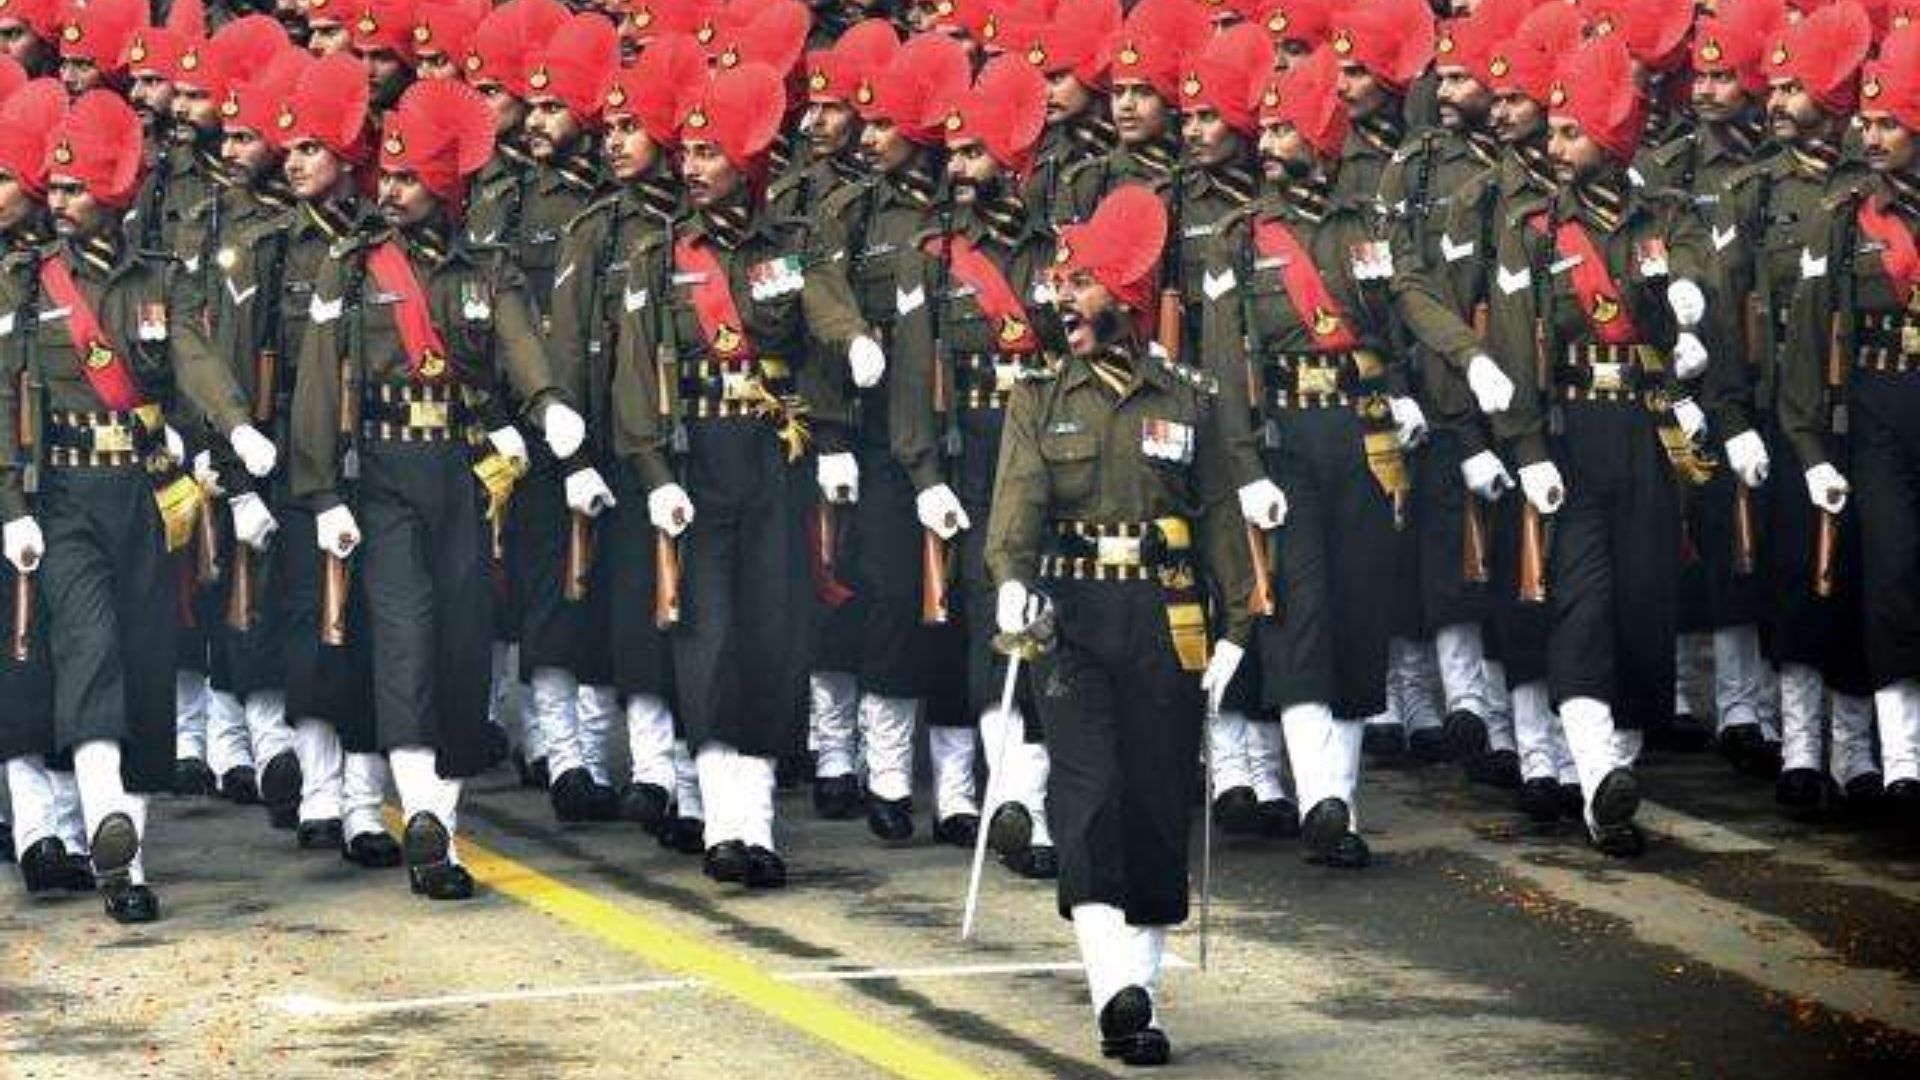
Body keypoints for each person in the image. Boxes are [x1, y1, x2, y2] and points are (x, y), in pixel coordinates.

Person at [289, 78, 608, 901]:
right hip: (384, 477)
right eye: (387, 175)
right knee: (403, 636)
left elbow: (519, 348)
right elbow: (319, 387)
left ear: (444, 184)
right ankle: (423, 814)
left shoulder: (486, 271)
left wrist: (550, 408)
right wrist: (321, 493)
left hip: (462, 476)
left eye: (407, 178)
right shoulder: (351, 268)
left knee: (464, 640)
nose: (389, 190)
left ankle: (445, 822)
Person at [987, 183, 1250, 1067]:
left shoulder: (1186, 396)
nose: (1063, 297)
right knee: (1088, 798)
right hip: (1075, 620)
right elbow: (1017, 504)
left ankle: (1142, 992)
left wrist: (1242, 624)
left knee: (1154, 799)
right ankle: (1115, 991)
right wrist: (1011, 581)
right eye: (1062, 283)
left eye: (1082, 283)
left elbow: (1218, 514)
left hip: (1168, 616)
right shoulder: (1037, 396)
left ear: (1126, 296)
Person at [1, 89, 278, 922]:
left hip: (150, 497)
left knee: (149, 656)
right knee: (89, 649)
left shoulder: (158, 278)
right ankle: (105, 817)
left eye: (76, 188)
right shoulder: (23, 283)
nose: (60, 201)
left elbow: (191, 360)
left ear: (114, 190)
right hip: (65, 500)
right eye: (54, 189)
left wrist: (236, 427)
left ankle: (128, 859)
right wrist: (11, 500)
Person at [1482, 35, 1725, 856]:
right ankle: (1595, 779)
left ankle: (1617, 775)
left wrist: (1692, 321)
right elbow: (1515, 349)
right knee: (1580, 602)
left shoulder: (1672, 219)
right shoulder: (1533, 229)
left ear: (1612, 138)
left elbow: (1704, 299)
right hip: (1572, 436)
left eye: (1570, 132)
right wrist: (1525, 452)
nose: (1554, 148)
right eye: (1552, 131)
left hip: (1651, 431)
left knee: (1644, 603)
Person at [1202, 47, 1424, 870]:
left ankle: (1341, 802)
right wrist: (1246, 470)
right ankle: (1321, 798)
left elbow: (1394, 321)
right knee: (1300, 615)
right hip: (1284, 443)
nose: (1266, 140)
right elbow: (1226, 372)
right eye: (1264, 124)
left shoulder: (1369, 230)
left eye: (1283, 126)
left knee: (1363, 614)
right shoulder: (1237, 239)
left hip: (1363, 440)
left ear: (1321, 137)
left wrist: (1407, 389)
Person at [608, 60, 828, 891]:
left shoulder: (790, 249)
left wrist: (835, 424)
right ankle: (720, 823)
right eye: (688, 150)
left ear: (748, 159)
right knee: (708, 640)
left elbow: (826, 325)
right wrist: (655, 472)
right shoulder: (655, 257)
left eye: (710, 151)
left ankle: (758, 824)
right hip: (696, 465)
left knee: (774, 636)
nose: (693, 165)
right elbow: (635, 382)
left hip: (774, 458)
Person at [889, 52, 1064, 877]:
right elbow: (912, 375)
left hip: (1048, 449)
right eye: (952, 154)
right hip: (975, 450)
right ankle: (1014, 802)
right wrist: (924, 477)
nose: (957, 170)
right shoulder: (931, 254)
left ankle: (1042, 795)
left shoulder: (1055, 249)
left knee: (1049, 621)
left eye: (974, 155)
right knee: (993, 625)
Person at [806, 30, 970, 846]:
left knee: (965, 610)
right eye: (862, 124)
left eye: (881, 126)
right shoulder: (849, 211)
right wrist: (848, 355)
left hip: (969, 433)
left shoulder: (963, 214)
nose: (866, 139)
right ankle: (888, 779)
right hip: (880, 440)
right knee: (891, 603)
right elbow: (822, 289)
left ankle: (967, 788)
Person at [544, 31, 703, 845]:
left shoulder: (694, 226)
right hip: (619, 448)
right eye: (607, 129)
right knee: (635, 613)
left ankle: (701, 788)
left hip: (701, 447)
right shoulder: (595, 228)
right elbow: (568, 346)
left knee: (702, 616)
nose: (613, 142)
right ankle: (651, 772)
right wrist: (574, 457)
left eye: (629, 128)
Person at [1780, 19, 1920, 817]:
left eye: (1888, 124)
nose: (1871, 138)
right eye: (1865, 123)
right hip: (1874, 405)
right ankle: (1899, 762)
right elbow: (1807, 337)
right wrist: (1808, 443)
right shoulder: (1845, 217)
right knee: (1892, 573)